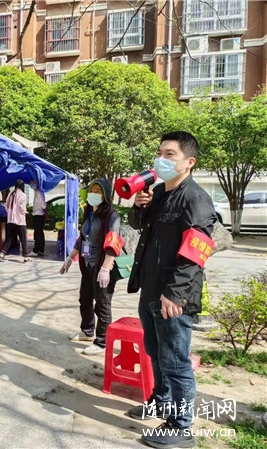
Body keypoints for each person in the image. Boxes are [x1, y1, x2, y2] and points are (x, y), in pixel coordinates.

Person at [126, 132, 217, 449]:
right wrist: (139, 207)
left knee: (176, 362)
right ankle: (161, 401)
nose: (161, 160)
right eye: (159, 153)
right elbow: (140, 227)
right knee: (155, 352)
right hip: (150, 290)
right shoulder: (159, 192)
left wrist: (176, 294)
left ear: (189, 162)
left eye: (170, 154)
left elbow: (197, 251)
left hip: (173, 298)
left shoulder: (195, 199)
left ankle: (181, 426)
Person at [60, 179, 120, 356]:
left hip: (102, 265)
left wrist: (105, 269)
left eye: (98, 191)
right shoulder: (89, 212)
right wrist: (70, 258)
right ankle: (87, 331)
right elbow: (82, 238)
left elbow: (113, 243)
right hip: (87, 264)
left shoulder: (111, 215)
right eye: (91, 190)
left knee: (102, 304)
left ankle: (102, 341)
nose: (93, 194)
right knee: (85, 299)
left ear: (106, 195)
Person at [0, 180, 30, 263]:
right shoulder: (23, 195)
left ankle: (2, 254)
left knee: (9, 239)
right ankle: (26, 257)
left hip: (10, 220)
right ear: (22, 186)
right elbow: (22, 207)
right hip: (20, 221)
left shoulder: (10, 195)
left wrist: (10, 213)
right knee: (23, 239)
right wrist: (25, 212)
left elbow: (6, 206)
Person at [29, 180, 46, 257]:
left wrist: (45, 213)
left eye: (32, 183)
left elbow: (43, 205)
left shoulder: (39, 193)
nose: (31, 185)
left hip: (38, 215)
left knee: (38, 233)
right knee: (39, 233)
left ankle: (36, 250)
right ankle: (41, 249)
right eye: (30, 184)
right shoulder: (37, 192)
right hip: (37, 215)